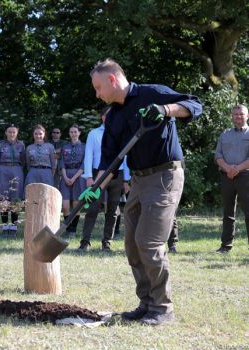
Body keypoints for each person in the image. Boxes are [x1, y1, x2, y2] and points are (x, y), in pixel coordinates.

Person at [88, 58, 202, 325]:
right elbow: (109, 161)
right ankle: (147, 303)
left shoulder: (152, 93)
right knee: (132, 245)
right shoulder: (114, 116)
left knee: (148, 242)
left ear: (112, 80)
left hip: (165, 175)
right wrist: (95, 189)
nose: (97, 93)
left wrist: (165, 109)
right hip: (138, 181)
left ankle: (163, 309)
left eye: (98, 87)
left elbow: (195, 105)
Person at [77, 107, 130, 252]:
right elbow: (88, 155)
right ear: (102, 117)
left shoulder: (121, 133)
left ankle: (107, 242)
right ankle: (85, 242)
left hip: (117, 175)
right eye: (108, 115)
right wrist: (88, 176)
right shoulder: (94, 134)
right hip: (97, 175)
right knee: (92, 209)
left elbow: (125, 157)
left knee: (113, 210)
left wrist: (126, 179)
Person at [214, 104, 249, 253]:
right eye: (235, 114)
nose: (238, 117)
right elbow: (218, 156)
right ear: (232, 117)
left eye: (241, 114)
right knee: (228, 213)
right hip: (227, 177)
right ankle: (225, 246)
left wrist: (237, 169)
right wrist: (229, 169)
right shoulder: (225, 134)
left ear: (247, 116)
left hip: (246, 177)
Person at [0, 124, 25, 237]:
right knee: (3, 199)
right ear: (6, 133)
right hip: (3, 170)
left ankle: (13, 227)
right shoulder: (0, 144)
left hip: (17, 170)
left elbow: (24, 160)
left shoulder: (21, 145)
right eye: (9, 132)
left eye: (14, 132)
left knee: (15, 199)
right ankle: (4, 227)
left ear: (17, 133)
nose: (12, 134)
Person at [59, 124, 86, 237]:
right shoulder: (65, 147)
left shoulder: (84, 147)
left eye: (75, 131)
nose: (73, 134)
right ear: (69, 134)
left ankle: (73, 230)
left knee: (76, 204)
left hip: (78, 176)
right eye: (71, 132)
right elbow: (62, 164)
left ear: (79, 133)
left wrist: (74, 178)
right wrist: (65, 177)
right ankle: (67, 226)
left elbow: (84, 165)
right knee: (65, 205)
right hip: (66, 175)